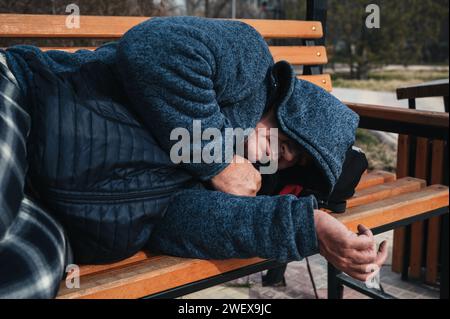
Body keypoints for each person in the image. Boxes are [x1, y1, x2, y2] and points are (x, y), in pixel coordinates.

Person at [0, 16, 387, 298]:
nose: (285, 156)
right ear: (290, 109)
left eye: (296, 164)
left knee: (25, 282)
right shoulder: (250, 65)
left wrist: (312, 228)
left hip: (51, 215)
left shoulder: (229, 190)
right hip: (27, 104)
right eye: (296, 143)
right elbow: (153, 49)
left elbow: (175, 227)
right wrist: (217, 158)